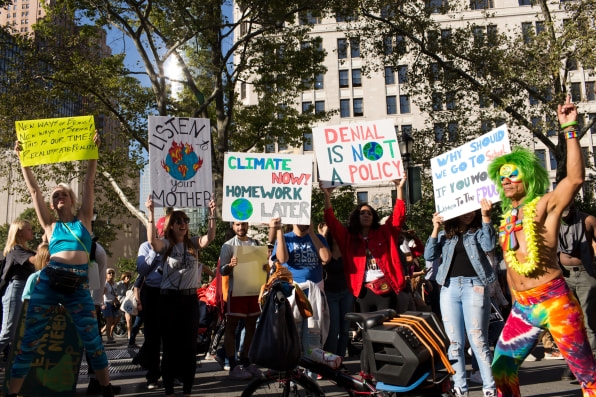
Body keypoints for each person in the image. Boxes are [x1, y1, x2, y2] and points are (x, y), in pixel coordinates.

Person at [487, 96, 596, 396]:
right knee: (502, 369)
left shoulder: (544, 205)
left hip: (555, 301)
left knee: (587, 374)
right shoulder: (506, 217)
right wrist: (514, 302)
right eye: (503, 176)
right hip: (523, 307)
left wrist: (570, 128)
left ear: (527, 177)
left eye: (513, 174)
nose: (507, 180)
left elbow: (574, 178)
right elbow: (511, 269)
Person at [8, 134, 116, 397]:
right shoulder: (50, 225)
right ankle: (11, 393)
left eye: (62, 194)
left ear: (71, 199)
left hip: (77, 286)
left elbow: (90, 181)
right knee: (29, 341)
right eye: (55, 195)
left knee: (93, 342)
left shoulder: (84, 220)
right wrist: (23, 159)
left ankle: (106, 388)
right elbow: (34, 190)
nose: (58, 196)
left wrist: (93, 151)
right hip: (49, 283)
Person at [145, 195, 217, 397]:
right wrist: (150, 212)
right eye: (178, 221)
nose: (182, 224)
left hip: (189, 301)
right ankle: (169, 391)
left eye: (185, 220)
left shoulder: (193, 244)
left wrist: (212, 213)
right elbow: (151, 241)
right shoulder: (166, 245)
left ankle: (187, 391)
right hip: (168, 300)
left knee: (189, 348)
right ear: (170, 226)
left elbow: (210, 237)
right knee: (169, 348)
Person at [424, 202, 497, 397]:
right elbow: (429, 255)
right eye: (466, 209)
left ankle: (489, 388)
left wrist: (486, 216)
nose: (470, 213)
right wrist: (435, 227)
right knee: (454, 343)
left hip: (475, 286)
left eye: (473, 209)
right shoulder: (445, 236)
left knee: (478, 340)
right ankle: (460, 389)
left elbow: (489, 246)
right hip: (449, 288)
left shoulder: (480, 231)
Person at [321, 178, 407, 313]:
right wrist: (327, 196)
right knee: (366, 331)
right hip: (362, 291)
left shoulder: (384, 233)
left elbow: (398, 216)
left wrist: (399, 188)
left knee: (385, 330)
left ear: (374, 217)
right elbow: (331, 222)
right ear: (356, 217)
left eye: (369, 213)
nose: (366, 215)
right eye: (362, 213)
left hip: (384, 288)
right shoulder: (349, 238)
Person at [270, 220, 331, 374]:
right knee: (293, 337)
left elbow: (326, 258)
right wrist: (278, 231)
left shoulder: (318, 238)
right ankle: (294, 376)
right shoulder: (285, 237)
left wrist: (311, 232)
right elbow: (282, 259)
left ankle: (311, 379)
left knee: (312, 339)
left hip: (314, 294)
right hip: (294, 293)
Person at [218, 222, 264, 380]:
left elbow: (263, 266)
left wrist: (265, 267)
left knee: (251, 327)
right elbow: (222, 270)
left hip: (253, 290)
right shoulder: (228, 246)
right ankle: (232, 365)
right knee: (231, 327)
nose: (241, 227)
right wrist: (230, 266)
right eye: (237, 224)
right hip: (236, 291)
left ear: (248, 224)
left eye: (243, 224)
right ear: (233, 225)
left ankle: (247, 362)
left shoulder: (256, 243)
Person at [559, 204, 596, 355]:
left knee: (590, 321)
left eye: (567, 213)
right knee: (570, 320)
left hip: (586, 273)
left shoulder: (588, 220)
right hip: (564, 275)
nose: (564, 217)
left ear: (573, 208)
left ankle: (592, 359)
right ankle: (575, 360)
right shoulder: (553, 221)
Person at [134, 216, 166, 390]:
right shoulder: (145, 247)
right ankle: (153, 375)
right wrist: (155, 250)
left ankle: (171, 372)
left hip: (169, 293)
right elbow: (142, 269)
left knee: (170, 336)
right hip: (152, 293)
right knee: (152, 337)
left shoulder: (173, 246)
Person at [0, 220, 36, 358]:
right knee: (8, 333)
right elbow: (36, 260)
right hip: (16, 289)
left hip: (24, 290)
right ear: (19, 232)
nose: (32, 231)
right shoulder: (15, 249)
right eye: (29, 229)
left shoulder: (25, 250)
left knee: (17, 334)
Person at [318, 222, 354, 358]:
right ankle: (330, 358)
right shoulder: (325, 250)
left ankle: (340, 359)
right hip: (330, 293)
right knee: (333, 329)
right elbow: (320, 261)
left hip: (346, 292)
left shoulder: (347, 250)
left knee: (345, 329)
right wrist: (321, 234)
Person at [102, 267, 121, 344]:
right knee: (109, 320)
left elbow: (115, 294)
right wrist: (102, 304)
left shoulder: (114, 284)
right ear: (106, 275)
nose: (111, 274)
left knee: (117, 317)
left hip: (113, 303)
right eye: (109, 273)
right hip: (106, 303)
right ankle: (109, 338)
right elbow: (102, 294)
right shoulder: (105, 283)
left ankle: (109, 332)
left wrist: (117, 300)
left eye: (112, 273)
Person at [115, 271, 133, 341]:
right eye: (127, 276)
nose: (128, 278)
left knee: (129, 319)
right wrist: (116, 301)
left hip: (127, 304)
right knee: (114, 321)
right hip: (120, 303)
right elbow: (114, 292)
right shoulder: (119, 284)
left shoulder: (131, 285)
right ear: (124, 277)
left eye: (129, 277)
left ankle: (129, 336)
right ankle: (105, 332)